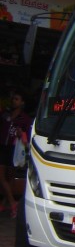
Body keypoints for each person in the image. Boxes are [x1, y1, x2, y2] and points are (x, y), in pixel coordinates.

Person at [0, 89, 31, 218]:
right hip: (3, 146)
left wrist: (21, 135)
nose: (14, 101)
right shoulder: (6, 114)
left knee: (8, 178)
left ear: (22, 102)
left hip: (13, 150)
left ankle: (10, 203)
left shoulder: (24, 118)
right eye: (14, 99)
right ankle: (8, 203)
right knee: (3, 178)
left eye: (17, 99)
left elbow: (27, 137)